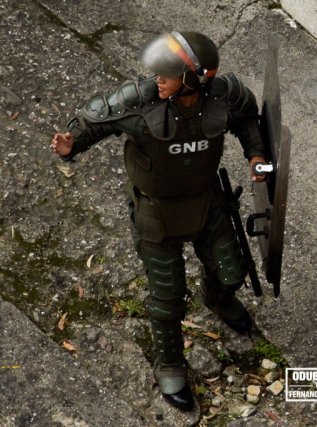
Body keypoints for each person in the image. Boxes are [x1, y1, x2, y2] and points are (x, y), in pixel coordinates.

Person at [51, 31, 268, 412]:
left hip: (205, 204)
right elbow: (93, 120)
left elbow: (249, 118)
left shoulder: (223, 96)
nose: (157, 79)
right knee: (168, 299)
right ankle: (169, 363)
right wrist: (72, 145)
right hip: (156, 214)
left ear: (195, 78)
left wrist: (255, 155)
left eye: (167, 73)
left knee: (233, 273)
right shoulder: (140, 102)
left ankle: (216, 300)